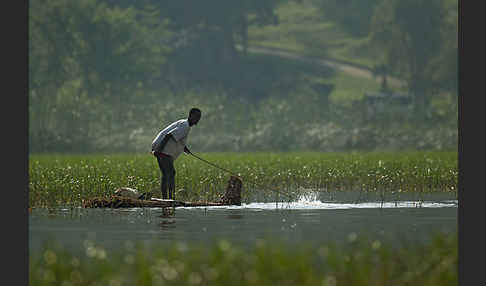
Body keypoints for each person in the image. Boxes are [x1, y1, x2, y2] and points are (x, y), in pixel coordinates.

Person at [151, 108, 201, 200]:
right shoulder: (185, 126)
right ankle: (169, 199)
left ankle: (166, 198)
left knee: (166, 174)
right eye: (196, 116)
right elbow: (169, 135)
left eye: (199, 117)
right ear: (190, 115)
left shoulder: (184, 124)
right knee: (170, 173)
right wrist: (159, 150)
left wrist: (184, 148)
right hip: (163, 150)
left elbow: (177, 137)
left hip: (162, 149)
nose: (197, 119)